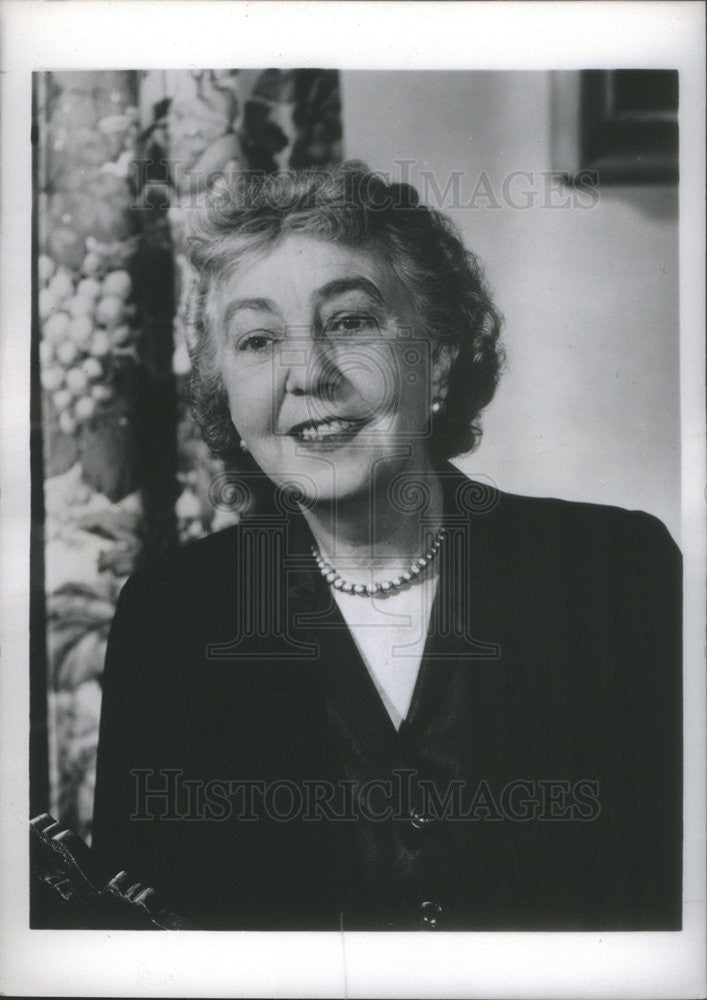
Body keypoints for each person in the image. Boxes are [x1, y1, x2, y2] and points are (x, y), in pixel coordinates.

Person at [92, 163, 682, 931]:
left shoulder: (616, 573)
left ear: (436, 356)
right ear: (225, 396)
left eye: (351, 322)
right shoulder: (172, 615)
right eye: (259, 339)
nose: (307, 373)